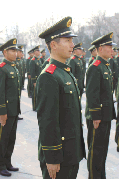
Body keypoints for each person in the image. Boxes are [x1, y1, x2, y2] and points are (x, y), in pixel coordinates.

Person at [36, 17, 85, 179]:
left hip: (71, 151)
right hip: (59, 156)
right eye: (68, 40)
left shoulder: (64, 71)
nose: (72, 45)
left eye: (72, 41)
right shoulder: (49, 76)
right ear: (54, 45)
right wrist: (52, 158)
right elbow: (47, 121)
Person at [86, 32, 116, 179]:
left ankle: (100, 175)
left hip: (106, 115)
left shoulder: (105, 66)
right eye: (109, 46)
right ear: (100, 48)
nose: (112, 49)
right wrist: (95, 115)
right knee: (95, 150)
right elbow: (92, 94)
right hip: (98, 117)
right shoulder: (95, 67)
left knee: (103, 149)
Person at [0, 38, 21, 177]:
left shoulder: (13, 67)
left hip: (14, 110)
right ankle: (0, 165)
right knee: (2, 139)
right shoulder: (1, 68)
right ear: (5, 52)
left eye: (16, 50)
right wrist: (2, 112)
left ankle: (8, 162)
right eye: (12, 50)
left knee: (11, 138)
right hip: (6, 112)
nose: (15, 53)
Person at [29, 46, 42, 111]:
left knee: (38, 93)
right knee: (34, 94)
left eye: (39, 51)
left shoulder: (38, 60)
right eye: (38, 51)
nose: (39, 52)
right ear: (34, 52)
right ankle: (35, 107)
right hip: (35, 80)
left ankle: (38, 105)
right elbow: (32, 71)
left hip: (39, 79)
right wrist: (34, 81)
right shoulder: (33, 61)